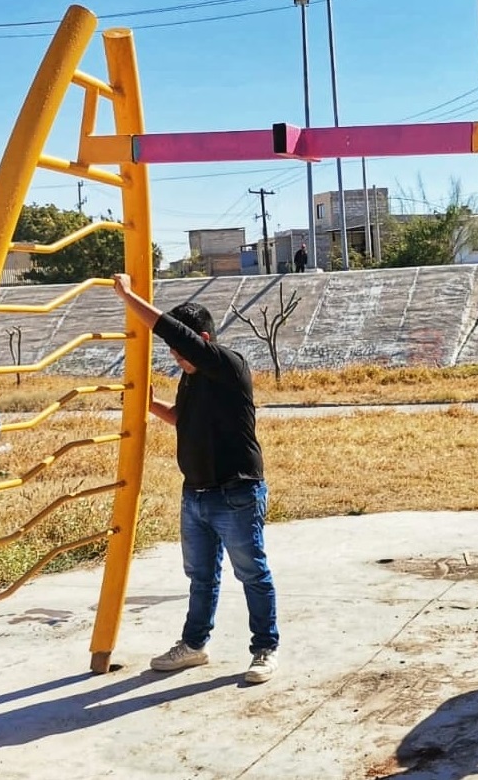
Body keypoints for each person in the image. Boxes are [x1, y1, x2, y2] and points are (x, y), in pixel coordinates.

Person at [112, 273, 280, 684]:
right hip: (197, 495)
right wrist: (151, 405)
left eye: (180, 349)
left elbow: (173, 332)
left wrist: (128, 297)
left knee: (252, 573)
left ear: (203, 338)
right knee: (201, 577)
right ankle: (194, 645)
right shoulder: (191, 378)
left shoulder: (227, 365)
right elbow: (182, 421)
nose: (175, 357)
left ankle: (264, 649)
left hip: (236, 491)